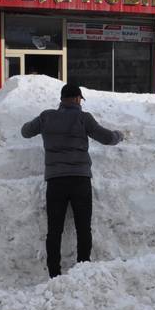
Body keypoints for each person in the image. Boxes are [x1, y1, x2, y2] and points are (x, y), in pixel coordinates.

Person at [21, 84, 123, 278]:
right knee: (83, 227)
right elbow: (107, 138)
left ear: (61, 99)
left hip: (55, 181)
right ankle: (83, 270)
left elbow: (25, 132)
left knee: (54, 230)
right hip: (80, 180)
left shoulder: (46, 116)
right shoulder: (83, 118)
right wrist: (120, 135)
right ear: (77, 99)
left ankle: (54, 274)